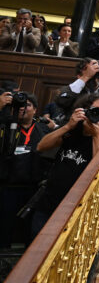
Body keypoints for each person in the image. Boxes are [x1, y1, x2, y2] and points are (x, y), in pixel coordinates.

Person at [31, 93, 99, 236]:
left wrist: (96, 136)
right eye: (89, 109)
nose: (92, 113)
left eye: (97, 110)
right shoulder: (71, 132)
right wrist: (68, 126)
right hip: (49, 201)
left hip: (75, 206)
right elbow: (41, 146)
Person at [0, 93, 52, 248]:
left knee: (31, 228)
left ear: (35, 110)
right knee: (5, 226)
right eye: (20, 106)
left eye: (28, 105)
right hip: (8, 186)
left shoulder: (43, 129)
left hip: (34, 188)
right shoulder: (6, 125)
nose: (23, 109)